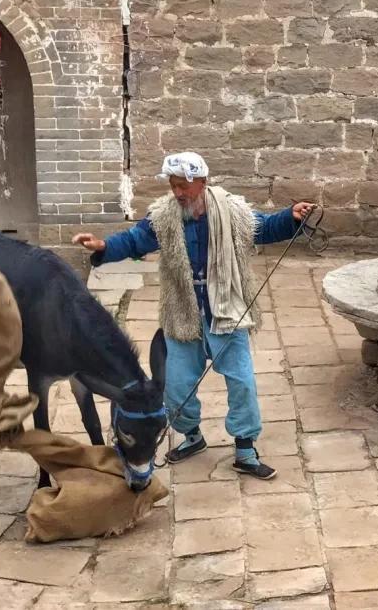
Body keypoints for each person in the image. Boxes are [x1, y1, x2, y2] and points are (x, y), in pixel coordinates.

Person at [73, 151, 315, 480]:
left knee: (242, 381)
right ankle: (193, 437)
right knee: (176, 385)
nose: (178, 192)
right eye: (174, 186)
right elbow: (134, 241)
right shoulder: (163, 216)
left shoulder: (230, 210)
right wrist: (102, 247)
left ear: (202, 182)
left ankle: (245, 449)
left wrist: (291, 217)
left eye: (184, 185)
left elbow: (263, 227)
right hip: (183, 311)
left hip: (226, 308)